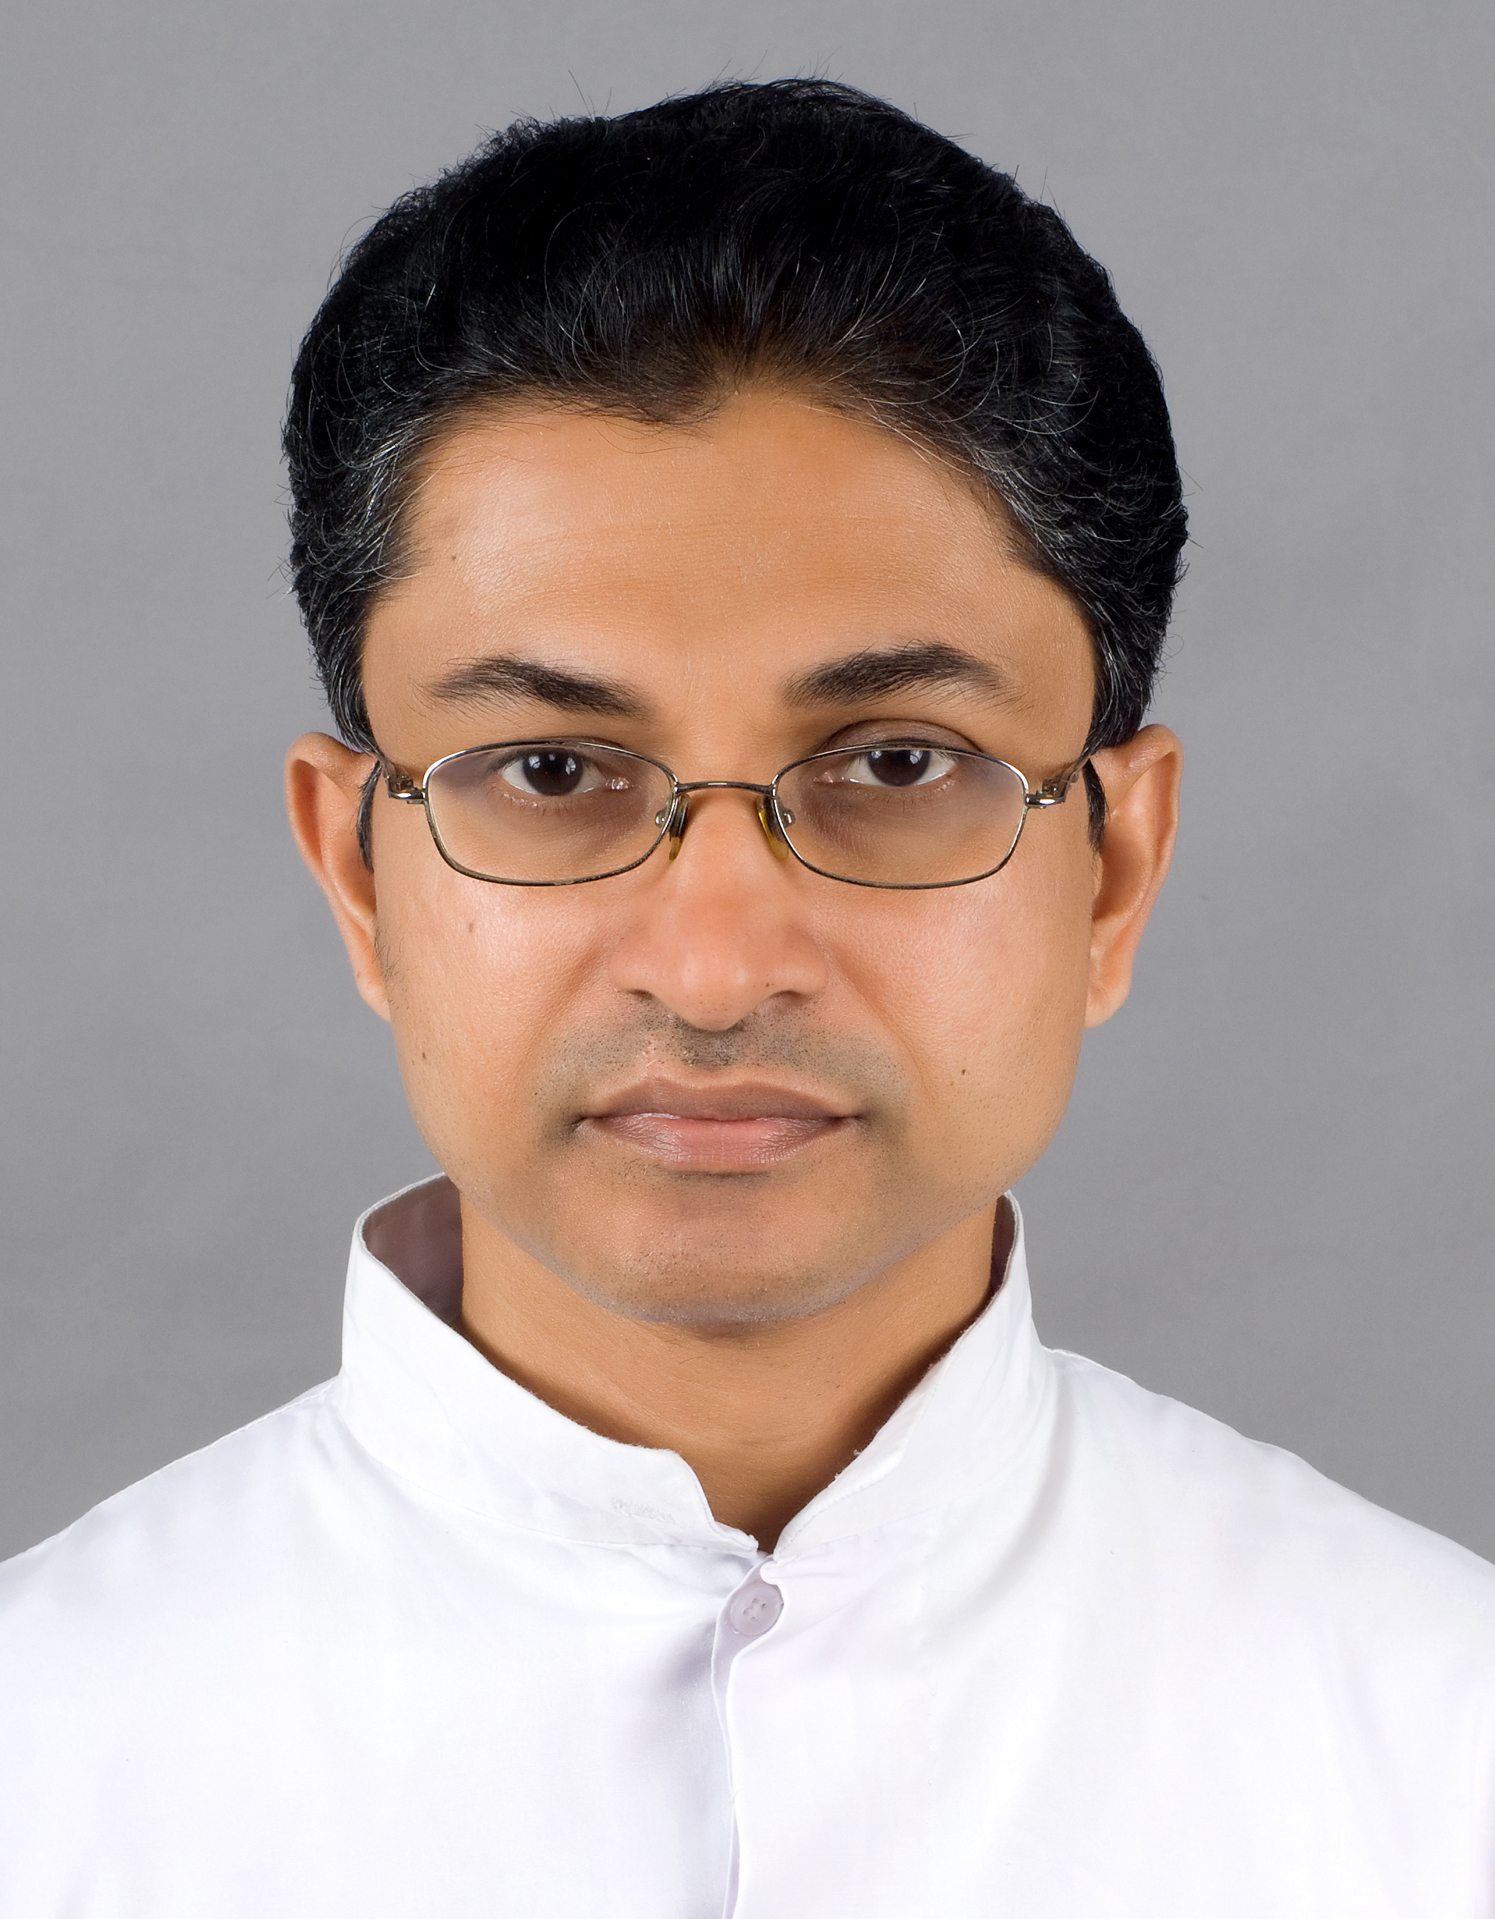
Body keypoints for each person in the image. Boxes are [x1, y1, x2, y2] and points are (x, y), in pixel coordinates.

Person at [1, 78, 1491, 1918]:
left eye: (895, 764)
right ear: (358, 873)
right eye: (551, 772)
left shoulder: (1443, 1759)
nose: (713, 968)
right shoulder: (40, 1770)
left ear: (1113, 868)